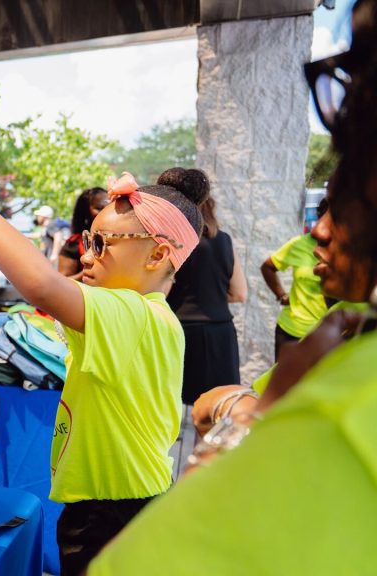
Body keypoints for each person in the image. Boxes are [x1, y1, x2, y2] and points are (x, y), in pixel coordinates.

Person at [87, 2, 377, 572]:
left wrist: (237, 436)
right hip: (219, 334)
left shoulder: (341, 411)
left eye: (353, 159)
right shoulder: (227, 245)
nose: (320, 226)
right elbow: (243, 294)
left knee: (171, 425)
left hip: (193, 340)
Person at [0, 163, 205, 575]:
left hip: (115, 514)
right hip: (118, 505)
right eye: (89, 239)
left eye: (103, 244)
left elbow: (41, 285)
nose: (86, 254)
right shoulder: (145, 315)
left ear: (157, 254)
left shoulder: (135, 314)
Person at [165, 178, 247, 404]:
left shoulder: (173, 241)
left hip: (179, 328)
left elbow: (162, 289)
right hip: (219, 333)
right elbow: (240, 293)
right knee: (218, 406)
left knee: (171, 402)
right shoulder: (224, 240)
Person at [260, 200, 330, 360]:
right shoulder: (299, 244)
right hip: (291, 332)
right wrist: (282, 295)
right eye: (323, 216)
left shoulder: (350, 251)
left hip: (327, 335)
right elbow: (267, 267)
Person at [58, 187, 109, 279]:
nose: (105, 212)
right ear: (85, 212)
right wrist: (87, 273)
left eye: (108, 207)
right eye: (99, 208)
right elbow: (62, 282)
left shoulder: (116, 238)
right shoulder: (73, 244)